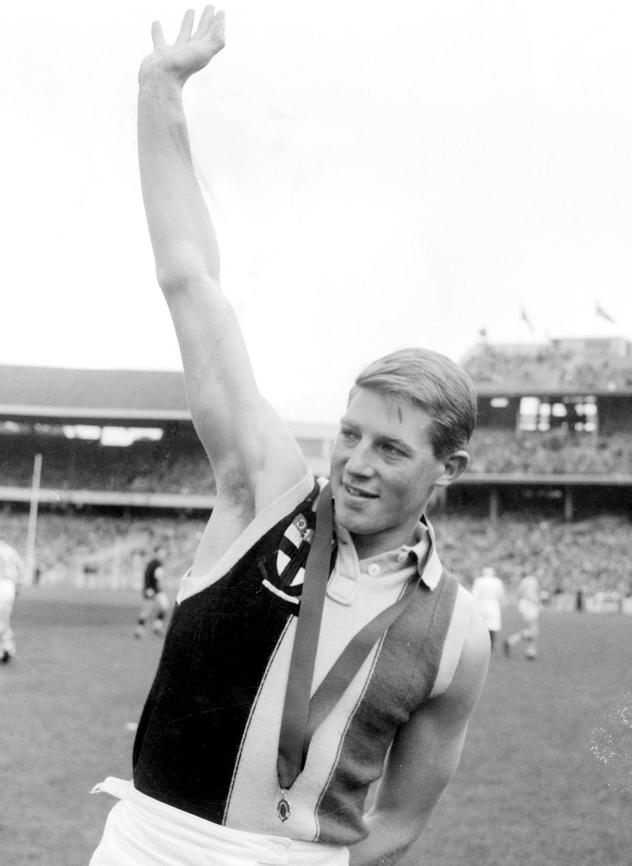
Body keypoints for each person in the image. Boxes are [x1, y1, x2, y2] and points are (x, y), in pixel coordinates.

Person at [89, 8, 491, 865]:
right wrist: (159, 92)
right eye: (350, 434)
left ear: (447, 467)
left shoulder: (458, 631)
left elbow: (405, 818)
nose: (354, 463)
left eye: (390, 449)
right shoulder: (265, 490)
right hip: (151, 845)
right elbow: (191, 282)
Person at [134, 545, 170, 639]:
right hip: (150, 589)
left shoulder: (160, 563)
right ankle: (139, 629)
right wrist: (148, 588)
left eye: (164, 552)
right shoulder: (153, 563)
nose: (164, 554)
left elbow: (158, 578)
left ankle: (157, 626)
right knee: (147, 610)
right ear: (157, 553)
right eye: (162, 552)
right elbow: (147, 576)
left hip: (157, 590)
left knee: (164, 606)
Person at [503, 574, 542, 661]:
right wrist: (537, 603)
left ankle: (530, 651)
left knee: (534, 629)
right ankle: (512, 641)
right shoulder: (533, 580)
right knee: (534, 629)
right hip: (530, 604)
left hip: (524, 604)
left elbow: (518, 593)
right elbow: (532, 594)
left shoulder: (524, 581)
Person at [0, 540, 25, 664]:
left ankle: (5, 648)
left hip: (2, 583)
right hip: (9, 586)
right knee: (4, 618)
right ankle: (7, 647)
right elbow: (21, 565)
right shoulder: (9, 549)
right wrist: (18, 584)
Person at [471, 566, 505, 651]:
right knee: (493, 625)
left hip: (481, 605)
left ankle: (481, 643)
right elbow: (501, 594)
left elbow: (475, 594)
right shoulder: (497, 582)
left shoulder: (479, 581)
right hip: (493, 605)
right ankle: (492, 644)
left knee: (481, 625)